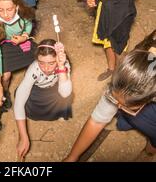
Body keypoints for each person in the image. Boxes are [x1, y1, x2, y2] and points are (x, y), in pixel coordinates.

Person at [64, 29, 156, 161]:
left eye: (124, 106)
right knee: (126, 120)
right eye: (114, 98)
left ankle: (150, 149)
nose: (116, 106)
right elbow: (96, 121)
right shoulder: (128, 75)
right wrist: (72, 157)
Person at [14, 39, 72, 159]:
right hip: (38, 90)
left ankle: (57, 114)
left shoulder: (64, 64)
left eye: (51, 63)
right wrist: (24, 136)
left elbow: (65, 93)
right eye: (41, 62)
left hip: (55, 88)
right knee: (22, 97)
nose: (46, 68)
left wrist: (61, 66)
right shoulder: (33, 69)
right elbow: (19, 102)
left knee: (65, 97)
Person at [0, 0, 36, 107]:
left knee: (38, 62)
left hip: (21, 41)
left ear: (17, 6)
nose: (5, 15)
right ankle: (4, 92)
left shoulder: (23, 14)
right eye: (0, 9)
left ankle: (32, 88)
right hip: (6, 45)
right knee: (6, 75)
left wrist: (24, 37)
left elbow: (28, 25)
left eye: (9, 9)